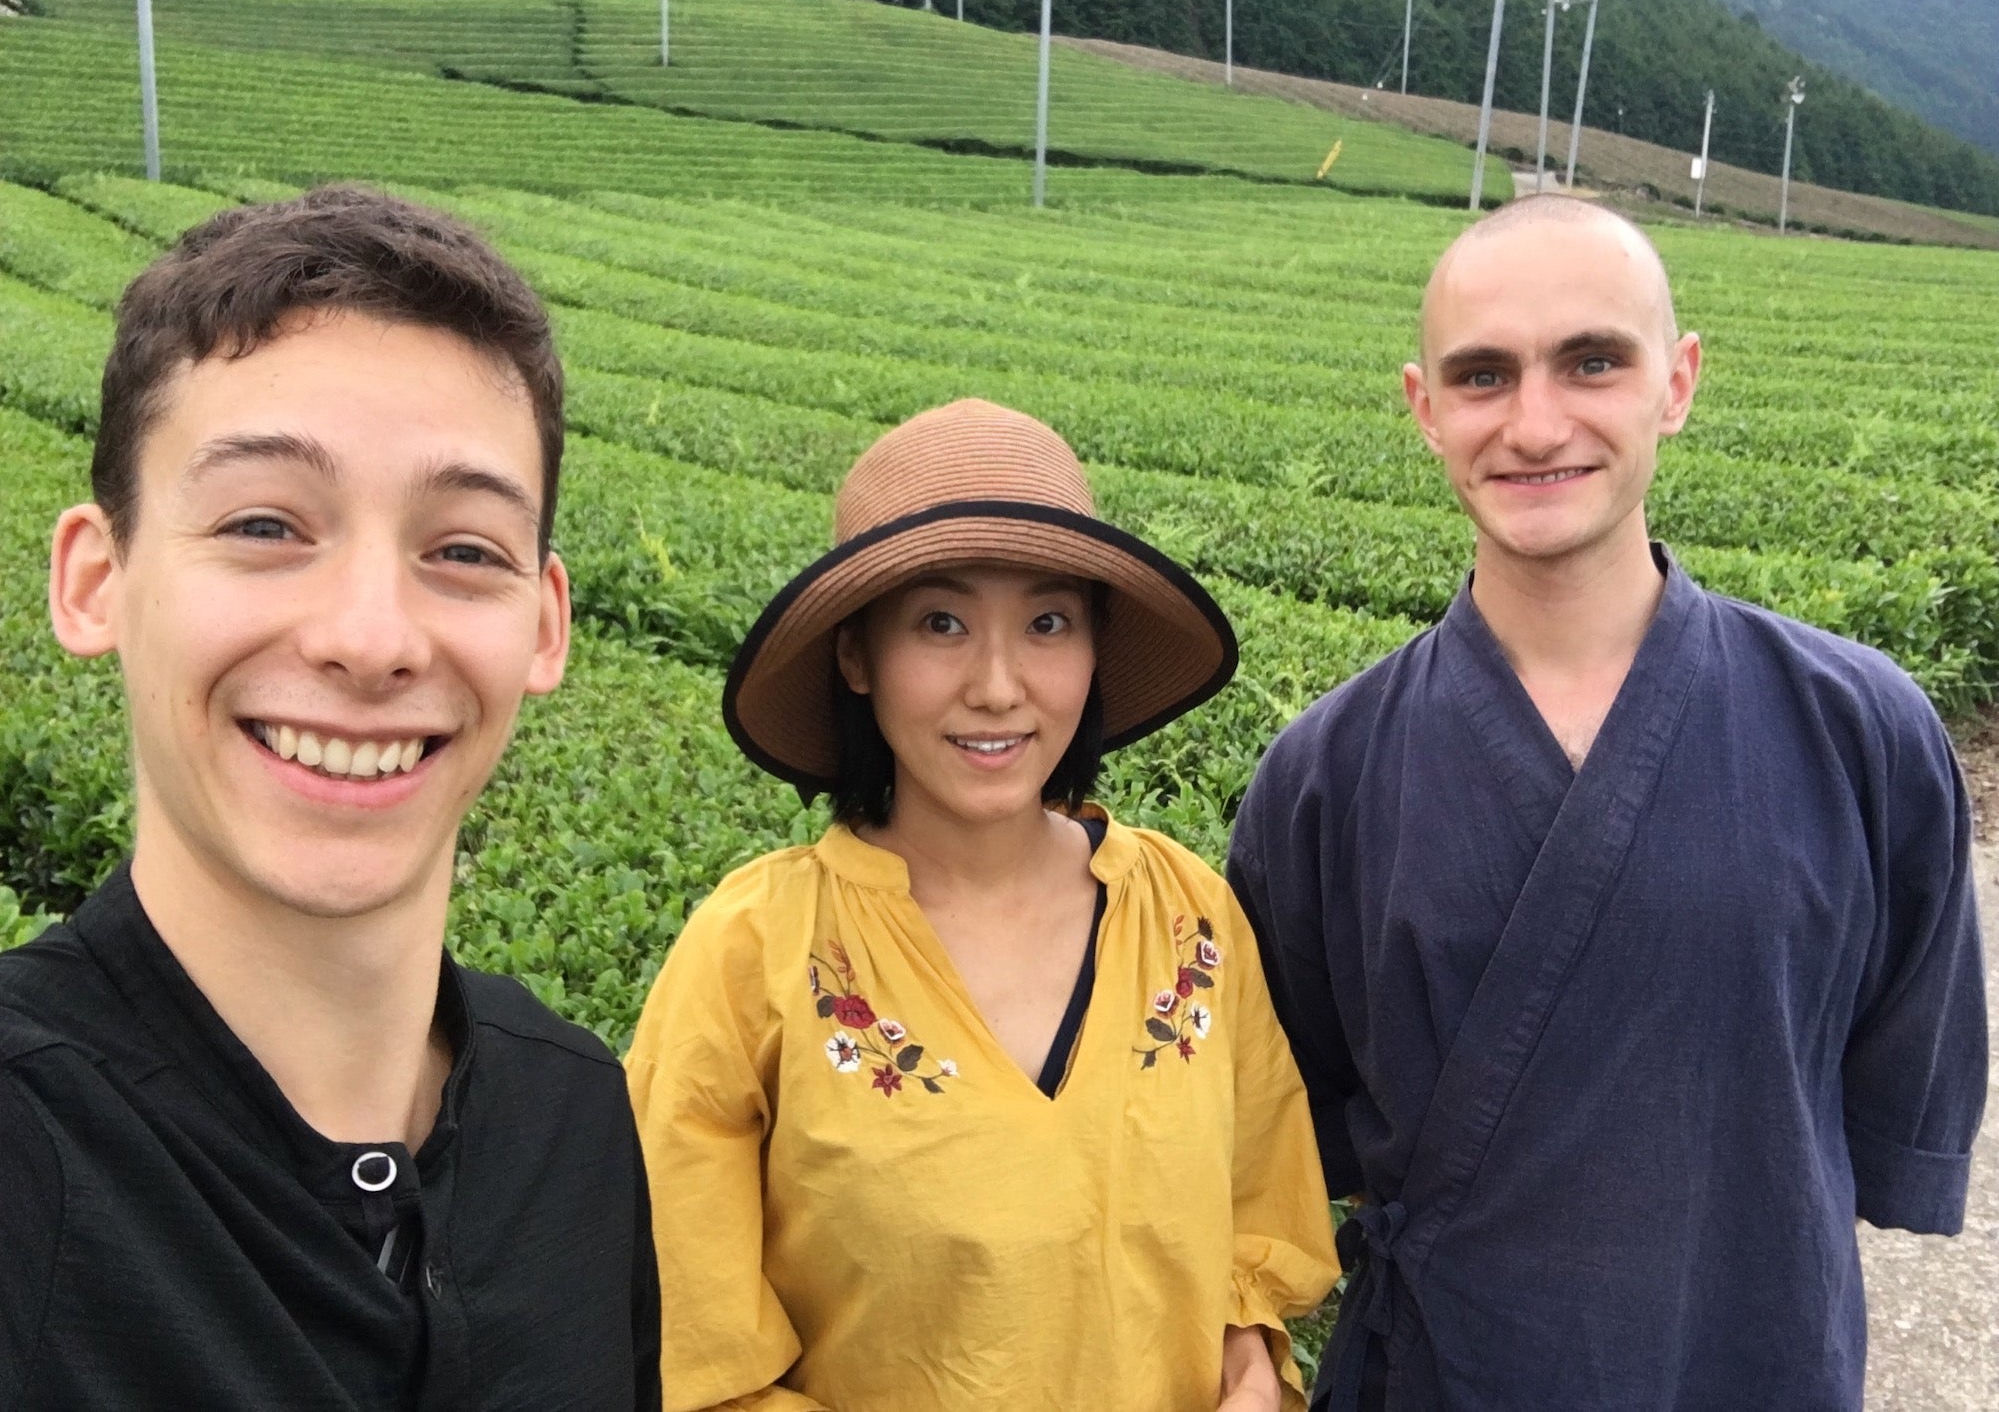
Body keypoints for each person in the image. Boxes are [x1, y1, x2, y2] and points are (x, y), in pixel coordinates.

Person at [1227, 194, 1988, 1411]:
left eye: (1591, 361)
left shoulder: (1861, 730)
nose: (1534, 424)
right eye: (1482, 376)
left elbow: (1888, 1088)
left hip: (1752, 1362)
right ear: (1422, 408)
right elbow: (1271, 1141)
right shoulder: (1321, 777)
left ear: (1674, 383)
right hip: (1436, 1377)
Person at [0, 188, 660, 1409]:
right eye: (264, 523)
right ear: (96, 581)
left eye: (462, 549)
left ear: (545, 627)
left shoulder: (570, 1115)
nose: (372, 638)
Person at [625, 399, 1338, 1412]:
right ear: (856, 657)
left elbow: (1257, 1237)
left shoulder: (1188, 918)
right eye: (940, 624)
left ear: (1094, 650)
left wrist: (1250, 1373)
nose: (999, 686)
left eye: (1046, 623)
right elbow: (694, 1354)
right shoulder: (752, 955)